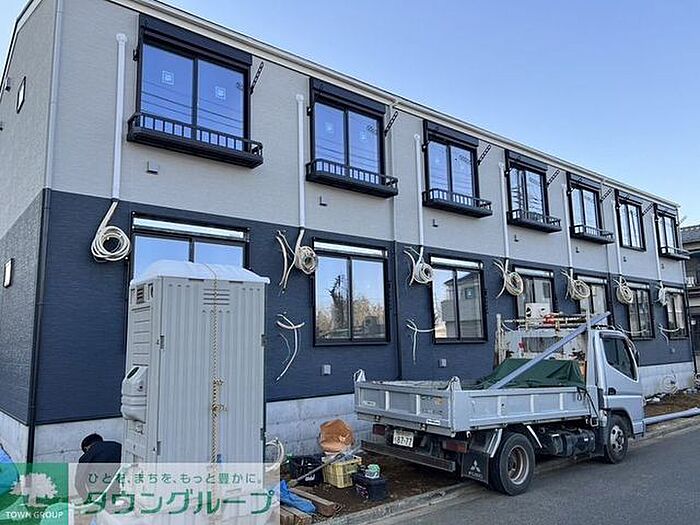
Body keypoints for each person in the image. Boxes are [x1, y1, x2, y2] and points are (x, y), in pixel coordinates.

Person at [74, 434, 122, 501]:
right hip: (123, 486)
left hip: (101, 491)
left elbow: (78, 483)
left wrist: (86, 499)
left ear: (86, 448)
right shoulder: (118, 446)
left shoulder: (87, 455)